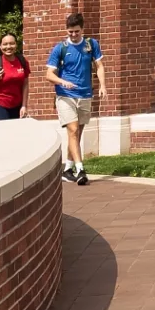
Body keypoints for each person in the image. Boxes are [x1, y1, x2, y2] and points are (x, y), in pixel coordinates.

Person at [46, 13, 105, 184]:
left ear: (82, 29)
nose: (73, 35)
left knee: (77, 134)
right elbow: (49, 74)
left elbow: (99, 66)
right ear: (67, 30)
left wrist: (102, 85)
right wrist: (63, 82)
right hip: (65, 96)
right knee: (72, 130)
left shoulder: (91, 44)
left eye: (76, 31)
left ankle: (67, 169)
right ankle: (80, 169)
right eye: (70, 31)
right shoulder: (60, 48)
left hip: (85, 94)